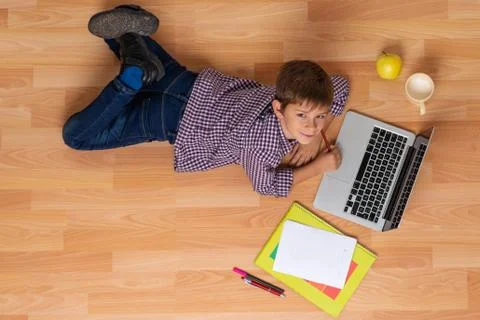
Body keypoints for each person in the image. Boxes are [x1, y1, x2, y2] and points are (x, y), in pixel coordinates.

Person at [63, 4, 350, 197]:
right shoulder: (264, 148)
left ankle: (132, 35)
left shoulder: (287, 92)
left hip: (188, 83)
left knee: (120, 35)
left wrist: (313, 138)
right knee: (76, 137)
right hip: (169, 120)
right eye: (303, 117)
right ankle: (129, 82)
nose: (312, 126)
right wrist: (318, 167)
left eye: (320, 116)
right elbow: (267, 186)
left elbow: (340, 85)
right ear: (278, 108)